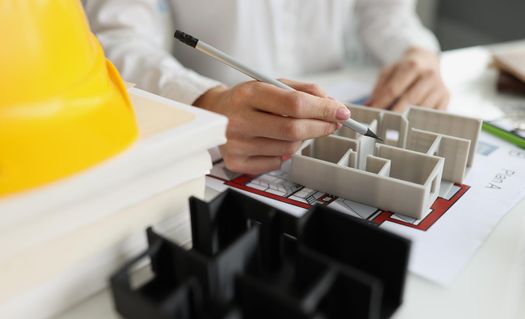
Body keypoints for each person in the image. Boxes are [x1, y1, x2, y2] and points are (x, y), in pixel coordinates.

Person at [85, 0, 449, 174]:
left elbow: (385, 13)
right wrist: (204, 103)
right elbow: (116, 38)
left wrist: (417, 53)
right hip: (219, 138)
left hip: (332, 112)